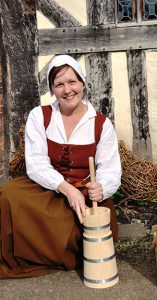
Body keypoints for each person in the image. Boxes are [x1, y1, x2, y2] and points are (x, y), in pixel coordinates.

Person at [0, 55, 121, 279]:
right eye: (59, 84)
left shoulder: (101, 124)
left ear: (82, 83)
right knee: (8, 194)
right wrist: (65, 188)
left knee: (75, 229)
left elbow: (111, 168)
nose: (67, 90)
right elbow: (36, 163)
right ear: (52, 89)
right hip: (50, 188)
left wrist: (101, 187)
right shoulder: (40, 116)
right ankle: (23, 252)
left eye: (72, 82)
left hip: (85, 194)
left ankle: (55, 252)